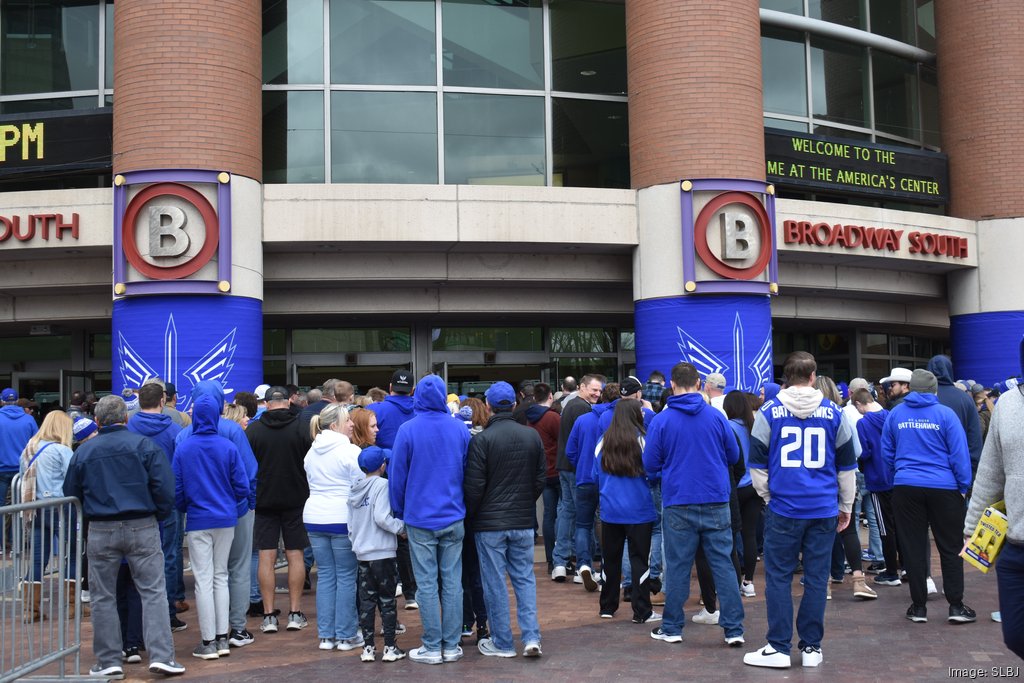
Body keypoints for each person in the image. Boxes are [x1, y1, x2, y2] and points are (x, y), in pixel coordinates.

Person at [744, 351, 856, 669]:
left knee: (779, 577)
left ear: (786, 378)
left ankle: (779, 647)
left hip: (784, 508)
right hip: (822, 508)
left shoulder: (768, 412)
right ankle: (811, 648)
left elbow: (757, 466)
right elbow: (847, 468)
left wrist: (769, 498)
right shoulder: (835, 413)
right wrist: (845, 505)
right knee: (817, 578)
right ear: (812, 376)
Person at [63, 395, 186, 678]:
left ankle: (109, 660)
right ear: (126, 418)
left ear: (97, 421)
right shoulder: (144, 446)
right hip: (141, 524)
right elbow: (165, 488)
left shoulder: (84, 452)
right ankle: (162, 656)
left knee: (103, 596)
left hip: (101, 528)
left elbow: (71, 493)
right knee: (153, 592)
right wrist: (157, 513)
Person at [643, 363, 743, 646]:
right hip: (715, 499)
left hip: (679, 500)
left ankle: (672, 627)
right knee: (723, 563)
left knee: (677, 567)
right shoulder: (716, 416)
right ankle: (734, 629)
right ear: (699, 383)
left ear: (672, 384)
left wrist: (670, 470)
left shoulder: (661, 421)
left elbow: (650, 464)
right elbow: (733, 455)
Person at [388, 374, 471, 665]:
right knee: (452, 582)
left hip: (420, 517)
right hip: (453, 513)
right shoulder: (459, 429)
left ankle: (432, 646)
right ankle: (451, 644)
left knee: (426, 584)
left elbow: (397, 476)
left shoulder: (407, 430)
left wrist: (398, 512)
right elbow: (466, 471)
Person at [882, 369, 975, 625]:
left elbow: (886, 451)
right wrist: (963, 485)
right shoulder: (946, 414)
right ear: (934, 390)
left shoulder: (896, 414)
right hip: (944, 487)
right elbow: (959, 454)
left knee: (912, 546)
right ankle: (956, 605)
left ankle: (919, 606)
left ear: (911, 388)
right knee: (951, 546)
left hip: (906, 485)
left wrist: (897, 475)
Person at [463, 382, 545, 658]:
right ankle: (531, 636)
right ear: (513, 404)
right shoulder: (531, 436)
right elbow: (539, 480)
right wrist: (524, 503)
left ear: (488, 406)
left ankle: (502, 641)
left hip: (489, 524)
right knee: (524, 580)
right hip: (521, 520)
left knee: (494, 583)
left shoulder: (481, 440)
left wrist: (474, 515)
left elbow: (474, 488)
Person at [177, 381, 259, 649]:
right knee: (234, 570)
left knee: (204, 577)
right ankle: (235, 629)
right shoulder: (233, 433)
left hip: (199, 515)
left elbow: (176, 484)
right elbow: (248, 475)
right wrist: (243, 504)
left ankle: (210, 637)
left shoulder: (183, 438)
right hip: (232, 512)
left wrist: (184, 507)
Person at [963, 339, 1024, 660]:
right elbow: (990, 471)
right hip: (1015, 546)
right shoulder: (1009, 404)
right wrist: (972, 526)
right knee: (1015, 635)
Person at [246, 386, 312, 633]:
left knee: (266, 555)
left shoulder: (253, 430)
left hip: (264, 501)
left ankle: (268, 615)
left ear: (266, 403)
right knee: (295, 554)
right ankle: (294, 612)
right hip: (296, 498)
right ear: (288, 402)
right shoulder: (302, 428)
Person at [303, 403, 364, 651]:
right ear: (334, 425)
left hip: (314, 517)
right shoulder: (350, 451)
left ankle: (326, 636)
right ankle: (347, 635)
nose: (352, 424)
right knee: (347, 576)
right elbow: (360, 485)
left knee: (326, 576)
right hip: (341, 517)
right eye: (347, 420)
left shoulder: (311, 451)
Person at [127, 383, 185, 631]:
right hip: (168, 499)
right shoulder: (175, 430)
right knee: (169, 555)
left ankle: (138, 611)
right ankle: (168, 612)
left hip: (135, 500)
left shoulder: (128, 428)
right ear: (163, 401)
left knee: (136, 557)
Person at [595, 399, 659, 624]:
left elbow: (595, 474)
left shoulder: (603, 441)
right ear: (635, 414)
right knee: (640, 560)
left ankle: (607, 606)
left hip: (610, 510)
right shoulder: (643, 440)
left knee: (609, 559)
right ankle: (642, 611)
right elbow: (654, 472)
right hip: (639, 510)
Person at [348, 447, 407, 663]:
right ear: (383, 466)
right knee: (387, 599)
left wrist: (356, 542)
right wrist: (401, 528)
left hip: (363, 552)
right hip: (382, 551)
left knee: (366, 601)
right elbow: (382, 517)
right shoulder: (383, 485)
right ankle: (390, 647)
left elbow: (350, 524)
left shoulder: (355, 488)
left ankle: (368, 648)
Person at [19, 410, 76, 621]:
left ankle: (30, 610)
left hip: (35, 507)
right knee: (72, 553)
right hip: (61, 506)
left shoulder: (29, 448)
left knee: (37, 558)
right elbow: (73, 477)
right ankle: (72, 605)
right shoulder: (62, 450)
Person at [552, 374, 603, 582]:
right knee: (584, 519)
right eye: (594, 389)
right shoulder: (582, 409)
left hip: (565, 466)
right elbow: (581, 445)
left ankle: (560, 562)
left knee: (567, 512)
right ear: (582, 387)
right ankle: (584, 565)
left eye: (600, 391)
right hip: (575, 469)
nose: (597, 394)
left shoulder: (569, 405)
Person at [851, 388, 901, 587]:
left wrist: (861, 462)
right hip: (896, 476)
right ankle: (904, 566)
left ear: (858, 404)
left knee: (884, 526)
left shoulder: (862, 423)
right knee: (898, 524)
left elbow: (864, 452)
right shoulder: (890, 416)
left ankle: (890, 571)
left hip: (877, 479)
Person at [727, 390, 762, 598]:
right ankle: (748, 582)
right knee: (749, 534)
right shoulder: (755, 426)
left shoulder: (729, 426)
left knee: (730, 534)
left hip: (736, 486)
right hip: (755, 486)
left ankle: (733, 580)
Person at [524, 383, 561, 572]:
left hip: (542, 472)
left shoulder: (530, 419)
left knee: (549, 515)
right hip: (557, 470)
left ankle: (550, 558)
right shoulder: (553, 418)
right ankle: (560, 558)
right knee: (563, 515)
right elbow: (564, 441)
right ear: (550, 397)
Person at [1, 387, 38, 506]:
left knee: (1, 506)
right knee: (22, 505)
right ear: (17, 401)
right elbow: (36, 444)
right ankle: (20, 525)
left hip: (1, 470)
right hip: (23, 469)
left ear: (2, 401)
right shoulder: (29, 419)